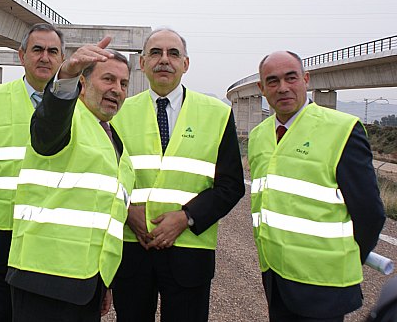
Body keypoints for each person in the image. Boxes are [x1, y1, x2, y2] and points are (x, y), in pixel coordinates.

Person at [111, 28, 245, 322]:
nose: (164, 60)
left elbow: (231, 185)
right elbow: (102, 175)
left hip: (189, 250)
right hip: (132, 247)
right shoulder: (117, 112)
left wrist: (186, 217)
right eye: (155, 53)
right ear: (142, 63)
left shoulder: (217, 113)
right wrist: (126, 212)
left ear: (185, 64)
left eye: (173, 54)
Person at [249, 50, 385, 322]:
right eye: (273, 81)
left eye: (291, 78)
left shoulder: (342, 129)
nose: (283, 88)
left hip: (324, 284)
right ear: (262, 89)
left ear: (306, 80)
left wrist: (341, 259)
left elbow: (370, 214)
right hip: (275, 276)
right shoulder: (259, 135)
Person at [6, 37, 135, 321]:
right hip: (46, 280)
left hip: (87, 283)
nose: (117, 89)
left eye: (124, 84)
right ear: (83, 84)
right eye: (108, 79)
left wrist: (105, 282)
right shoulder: (67, 119)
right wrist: (65, 76)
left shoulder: (113, 141)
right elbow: (48, 122)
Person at [0, 23, 65, 321]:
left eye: (52, 51)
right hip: (4, 229)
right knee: (1, 307)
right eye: (37, 50)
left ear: (62, 58)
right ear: (22, 56)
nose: (44, 57)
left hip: (55, 227)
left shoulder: (78, 102)